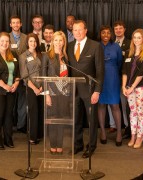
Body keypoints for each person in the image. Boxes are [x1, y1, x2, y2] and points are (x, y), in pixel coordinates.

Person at [67, 20, 104, 158]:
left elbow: (100, 71)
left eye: (80, 29)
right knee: (76, 119)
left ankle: (91, 146)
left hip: (90, 90)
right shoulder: (69, 46)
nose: (77, 32)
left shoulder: (95, 46)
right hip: (73, 90)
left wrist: (97, 91)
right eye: (75, 30)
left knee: (91, 120)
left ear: (86, 30)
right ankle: (77, 144)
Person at [122, 29, 143, 149]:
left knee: (141, 112)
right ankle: (133, 136)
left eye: (139, 37)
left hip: (140, 87)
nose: (136, 40)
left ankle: (140, 137)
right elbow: (124, 71)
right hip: (128, 88)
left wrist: (132, 87)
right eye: (134, 37)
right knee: (132, 112)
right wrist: (124, 86)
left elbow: (142, 73)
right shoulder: (128, 53)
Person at [41, 31, 70, 154]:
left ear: (64, 42)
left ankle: (60, 145)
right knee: (52, 120)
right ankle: (53, 145)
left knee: (61, 120)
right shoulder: (47, 55)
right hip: (51, 93)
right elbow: (43, 76)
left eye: (61, 40)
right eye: (56, 40)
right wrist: (46, 95)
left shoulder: (67, 56)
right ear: (52, 41)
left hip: (64, 93)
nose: (58, 43)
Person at [97, 25, 123, 146]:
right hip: (100, 78)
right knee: (101, 105)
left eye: (108, 33)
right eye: (103, 33)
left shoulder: (116, 46)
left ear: (111, 34)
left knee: (115, 106)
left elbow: (120, 63)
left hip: (113, 78)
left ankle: (119, 133)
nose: (106, 35)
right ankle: (102, 131)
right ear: (100, 34)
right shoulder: (96, 46)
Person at [19, 33, 43, 144]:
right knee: (33, 112)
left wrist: (42, 86)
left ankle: (39, 134)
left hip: (43, 87)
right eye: (30, 41)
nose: (33, 43)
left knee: (41, 112)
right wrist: (35, 89)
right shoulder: (23, 56)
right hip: (31, 87)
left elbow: (44, 70)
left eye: (34, 41)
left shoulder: (41, 55)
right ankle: (32, 136)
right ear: (27, 43)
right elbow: (24, 76)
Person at [9, 15, 28, 133]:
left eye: (18, 23)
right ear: (10, 25)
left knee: (22, 102)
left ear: (21, 24)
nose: (16, 25)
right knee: (10, 103)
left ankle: (21, 125)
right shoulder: (6, 37)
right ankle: (9, 126)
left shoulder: (26, 38)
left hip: (24, 74)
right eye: (13, 23)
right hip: (10, 75)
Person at [113, 20, 131, 138]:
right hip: (112, 78)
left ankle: (127, 126)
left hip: (125, 78)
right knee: (113, 103)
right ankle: (113, 125)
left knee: (125, 104)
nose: (118, 30)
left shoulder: (130, 43)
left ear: (124, 29)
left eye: (120, 28)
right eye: (116, 29)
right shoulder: (110, 43)